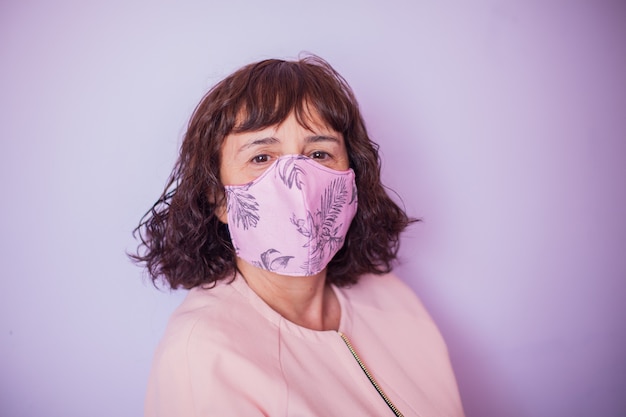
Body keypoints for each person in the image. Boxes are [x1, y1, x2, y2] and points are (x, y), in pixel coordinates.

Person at [132, 55, 465, 417]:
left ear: (352, 177)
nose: (297, 181)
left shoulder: (393, 299)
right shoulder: (202, 356)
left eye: (319, 153)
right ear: (218, 199)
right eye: (261, 157)